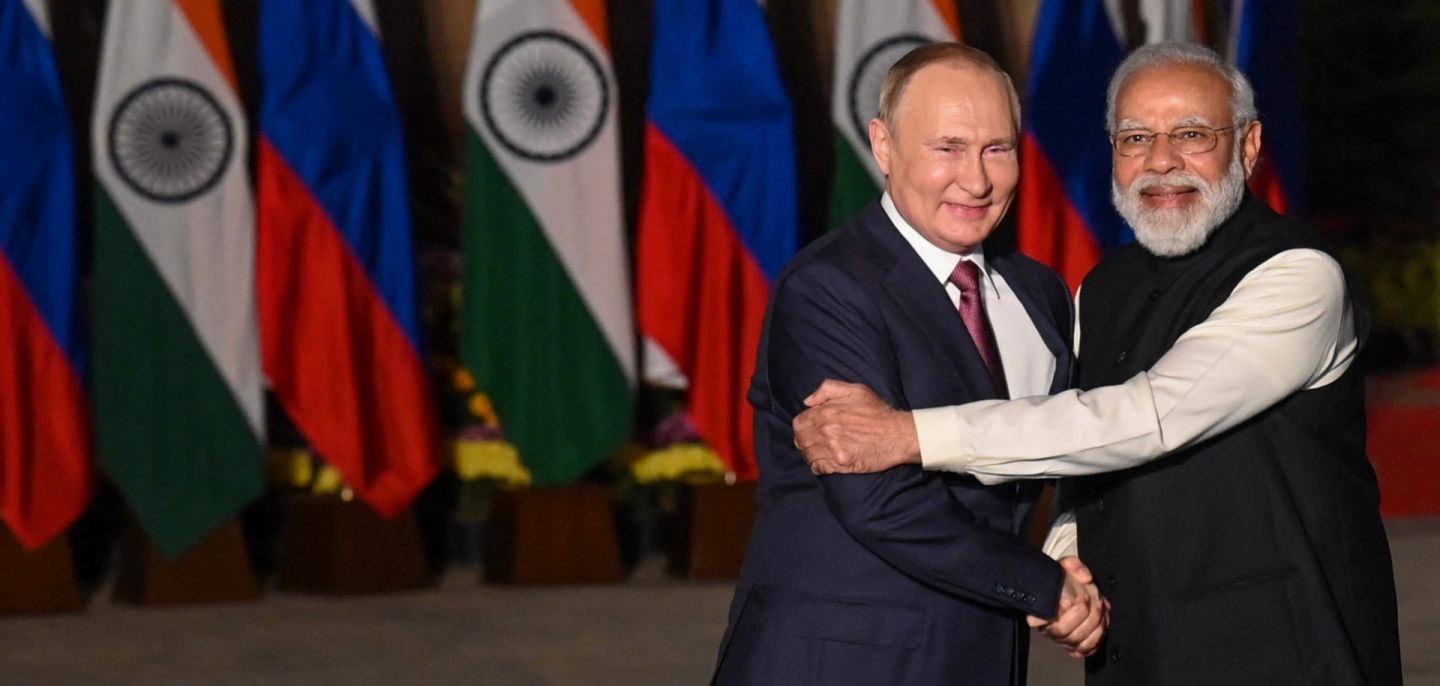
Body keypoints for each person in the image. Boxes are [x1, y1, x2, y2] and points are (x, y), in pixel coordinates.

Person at [793, 42, 1403, 686]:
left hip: (1287, 652)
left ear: (1248, 148)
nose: (1161, 161)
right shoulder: (1099, 289)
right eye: (1135, 137)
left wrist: (907, 434)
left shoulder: (1300, 276)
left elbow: (1147, 416)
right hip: (1137, 650)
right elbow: (1080, 457)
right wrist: (1066, 553)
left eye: (1192, 135)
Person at [710, 43, 1106, 686]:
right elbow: (879, 500)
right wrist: (1047, 586)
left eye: (997, 149)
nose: (975, 180)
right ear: (884, 145)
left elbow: (1063, 444)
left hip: (982, 657)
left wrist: (1069, 548)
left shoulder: (1041, 294)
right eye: (946, 147)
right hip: (839, 660)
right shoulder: (827, 288)